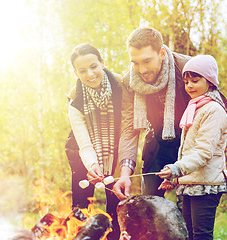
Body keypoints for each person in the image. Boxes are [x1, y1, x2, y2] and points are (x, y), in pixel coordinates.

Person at [156, 55, 227, 240]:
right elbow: (188, 151)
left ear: (210, 81)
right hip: (191, 183)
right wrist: (176, 178)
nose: (189, 85)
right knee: (187, 235)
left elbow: (203, 152)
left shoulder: (213, 110)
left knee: (201, 236)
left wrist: (176, 169)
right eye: (186, 81)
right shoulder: (196, 107)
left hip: (205, 184)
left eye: (195, 80)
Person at [112, 27, 191, 200]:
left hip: (190, 144)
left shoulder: (187, 68)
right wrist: (125, 174)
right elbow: (128, 128)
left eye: (146, 61)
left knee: (188, 209)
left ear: (161, 53)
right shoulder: (129, 82)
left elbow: (214, 109)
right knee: (150, 205)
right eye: (135, 62)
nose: (141, 70)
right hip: (157, 142)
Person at [65, 43, 122, 240]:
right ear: (75, 73)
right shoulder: (75, 99)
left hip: (115, 152)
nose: (90, 74)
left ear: (102, 63)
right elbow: (84, 142)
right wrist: (92, 164)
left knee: (115, 208)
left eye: (94, 66)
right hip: (81, 153)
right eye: (82, 70)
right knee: (81, 207)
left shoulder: (121, 87)